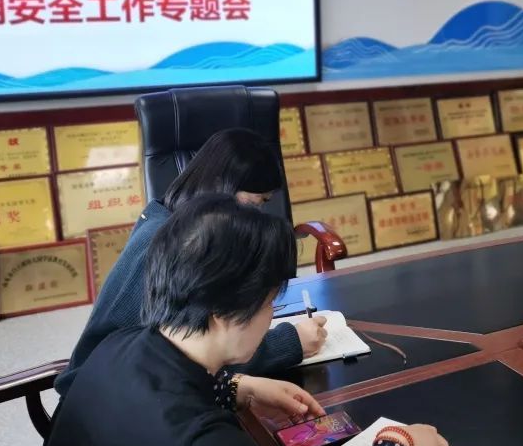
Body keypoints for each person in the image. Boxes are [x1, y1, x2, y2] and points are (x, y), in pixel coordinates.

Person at [40, 194, 449, 446]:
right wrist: (397, 443)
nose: (271, 318)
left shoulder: (119, 344)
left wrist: (237, 387)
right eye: (270, 304)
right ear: (222, 311)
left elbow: (160, 392)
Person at [54, 128, 327, 396]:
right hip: (106, 393)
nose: (255, 216)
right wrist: (288, 343)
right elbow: (194, 346)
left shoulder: (171, 223)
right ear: (221, 187)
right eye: (254, 203)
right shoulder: (170, 246)